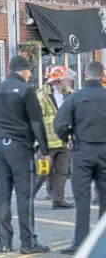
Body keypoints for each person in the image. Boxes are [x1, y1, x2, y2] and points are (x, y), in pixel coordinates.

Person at [0, 55, 51, 254]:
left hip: (0, 147)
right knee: (24, 196)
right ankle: (28, 242)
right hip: (20, 147)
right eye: (29, 71)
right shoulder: (27, 91)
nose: (30, 75)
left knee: (3, 195)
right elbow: (37, 123)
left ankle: (4, 242)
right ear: (22, 70)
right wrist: (45, 151)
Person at [55, 61, 106, 255]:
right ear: (101, 75)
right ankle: (103, 244)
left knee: (82, 200)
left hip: (82, 151)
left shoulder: (75, 98)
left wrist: (67, 137)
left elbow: (59, 125)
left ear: (85, 75)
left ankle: (81, 244)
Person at [34, 65, 74, 209]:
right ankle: (26, 199)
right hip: (48, 144)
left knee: (62, 173)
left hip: (64, 143)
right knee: (42, 173)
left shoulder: (69, 94)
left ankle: (58, 200)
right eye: (65, 79)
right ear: (57, 81)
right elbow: (36, 121)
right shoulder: (41, 97)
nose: (68, 81)